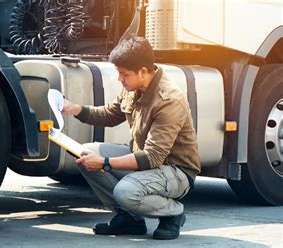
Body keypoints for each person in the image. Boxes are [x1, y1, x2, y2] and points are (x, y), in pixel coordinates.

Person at [61, 36, 200, 240]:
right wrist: (75, 109)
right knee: (85, 154)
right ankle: (129, 218)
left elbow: (152, 157)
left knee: (125, 192)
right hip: (146, 160)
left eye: (123, 74)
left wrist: (104, 163)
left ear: (143, 72)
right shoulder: (134, 89)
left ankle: (173, 213)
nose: (120, 79)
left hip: (176, 171)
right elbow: (109, 114)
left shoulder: (169, 100)